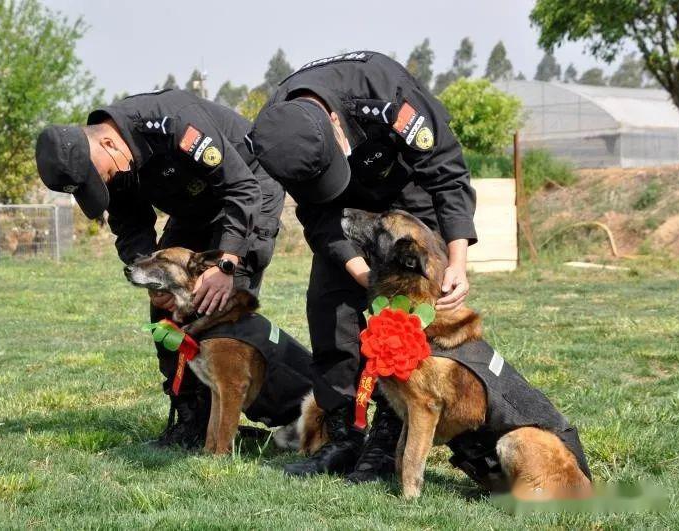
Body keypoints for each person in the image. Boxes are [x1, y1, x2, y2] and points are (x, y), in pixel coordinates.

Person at [249, 51, 477, 482]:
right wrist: (362, 275)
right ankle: (343, 438)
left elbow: (447, 176)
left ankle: (388, 444)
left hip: (406, 199)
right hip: (341, 213)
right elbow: (316, 216)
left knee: (408, 325)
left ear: (336, 124)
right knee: (330, 314)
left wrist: (457, 262)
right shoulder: (278, 132)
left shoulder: (387, 93)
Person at [35, 88, 285, 449]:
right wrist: (155, 282)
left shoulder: (172, 122)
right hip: (194, 209)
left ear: (107, 142)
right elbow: (131, 227)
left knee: (220, 307)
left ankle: (243, 411)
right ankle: (190, 419)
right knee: (164, 312)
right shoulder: (113, 162)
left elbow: (242, 190)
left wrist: (228, 263)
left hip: (247, 193)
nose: (104, 182)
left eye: (100, 176)